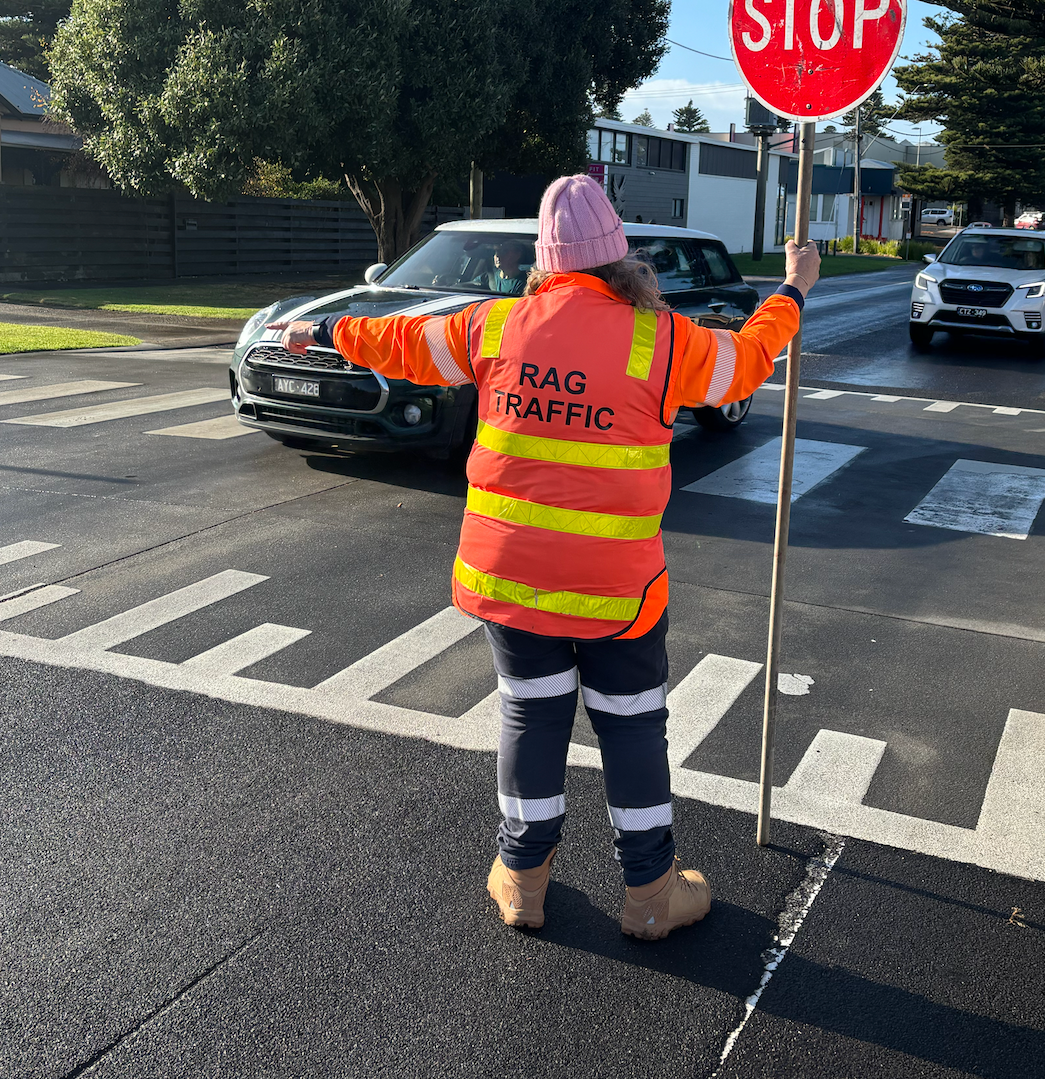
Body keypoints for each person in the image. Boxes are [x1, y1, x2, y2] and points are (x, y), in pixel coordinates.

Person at [272, 175, 818, 939]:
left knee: (531, 714)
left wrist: (321, 332)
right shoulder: (661, 339)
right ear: (619, 258)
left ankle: (523, 882)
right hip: (617, 592)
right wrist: (792, 289)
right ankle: (651, 893)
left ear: (545, 260)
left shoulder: (493, 326)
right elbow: (749, 359)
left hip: (513, 580)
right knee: (631, 726)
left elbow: (398, 342)